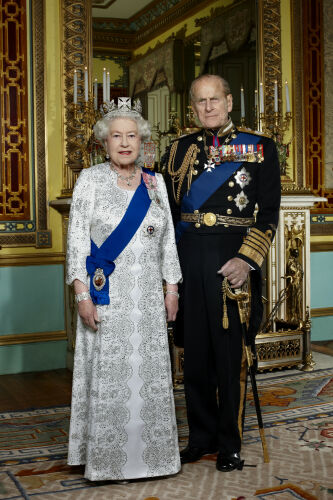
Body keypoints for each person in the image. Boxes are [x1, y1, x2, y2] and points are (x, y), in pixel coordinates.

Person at [164, 74, 281, 472]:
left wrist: (246, 261)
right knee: (194, 356)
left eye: (215, 99)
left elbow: (267, 216)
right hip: (189, 258)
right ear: (193, 107)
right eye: (201, 101)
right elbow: (166, 212)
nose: (209, 106)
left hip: (233, 261)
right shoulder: (178, 150)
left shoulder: (260, 148)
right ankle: (201, 437)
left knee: (230, 359)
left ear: (230, 102)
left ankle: (230, 443)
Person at [66, 97, 182, 482]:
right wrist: (82, 295)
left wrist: (171, 289)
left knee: (147, 374)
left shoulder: (156, 182)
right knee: (110, 376)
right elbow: (77, 242)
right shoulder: (90, 179)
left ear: (142, 140)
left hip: (148, 297)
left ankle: (155, 459)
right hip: (107, 295)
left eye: (131, 135)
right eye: (117, 136)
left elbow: (168, 241)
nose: (125, 142)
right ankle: (107, 460)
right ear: (105, 142)